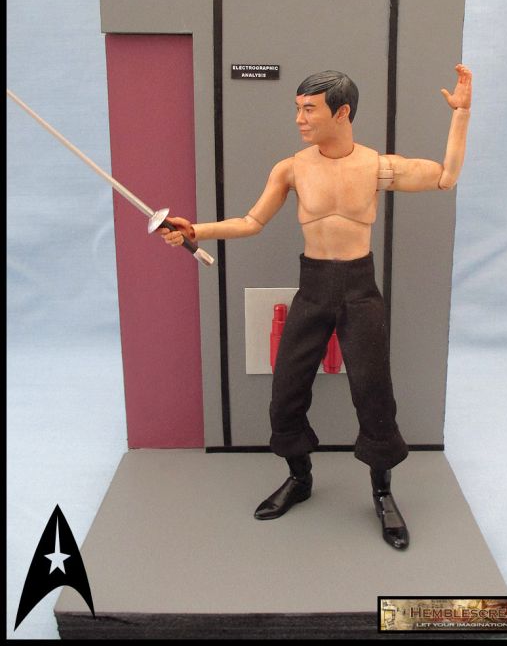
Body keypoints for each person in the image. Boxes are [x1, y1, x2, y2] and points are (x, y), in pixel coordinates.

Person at [159, 65, 472, 550]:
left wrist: (462, 114)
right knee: (286, 390)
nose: (300, 119)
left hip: (360, 291)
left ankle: (382, 492)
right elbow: (251, 221)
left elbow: (446, 177)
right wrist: (196, 230)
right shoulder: (291, 168)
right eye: (297, 109)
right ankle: (299, 478)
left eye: (309, 109)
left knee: (374, 394)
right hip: (313, 288)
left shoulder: (376, 166)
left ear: (341, 112)